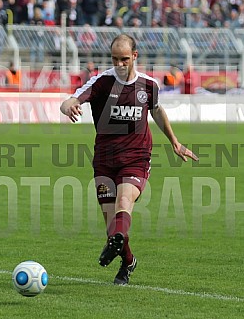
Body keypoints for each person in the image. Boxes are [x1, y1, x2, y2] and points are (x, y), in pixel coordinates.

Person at [60, 34, 198, 285]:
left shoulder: (148, 85)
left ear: (135, 56)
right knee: (112, 226)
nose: (120, 64)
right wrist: (68, 105)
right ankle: (128, 261)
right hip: (104, 160)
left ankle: (118, 244)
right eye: (115, 59)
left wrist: (174, 142)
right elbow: (70, 99)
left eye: (124, 59)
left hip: (136, 158)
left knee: (125, 200)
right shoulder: (101, 82)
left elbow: (156, 111)